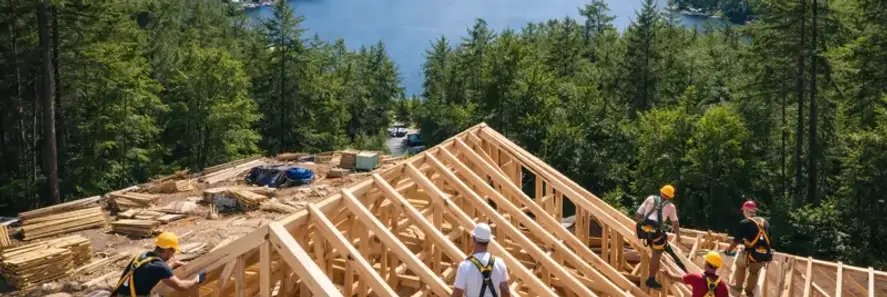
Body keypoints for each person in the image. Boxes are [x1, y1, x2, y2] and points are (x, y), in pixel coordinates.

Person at [112, 232, 207, 297]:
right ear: (167, 250)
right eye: (173, 251)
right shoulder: (160, 267)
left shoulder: (142, 256)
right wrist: (196, 279)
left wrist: (173, 264)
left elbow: (156, 272)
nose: (173, 255)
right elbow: (181, 286)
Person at [635, 184, 681, 289]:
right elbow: (675, 223)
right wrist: (678, 235)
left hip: (642, 232)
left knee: (652, 237)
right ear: (670, 196)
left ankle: (648, 241)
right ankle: (651, 279)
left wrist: (640, 227)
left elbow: (638, 215)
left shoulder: (650, 198)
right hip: (656, 234)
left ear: (661, 192)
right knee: (657, 252)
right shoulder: (671, 207)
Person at [724, 201, 772, 297]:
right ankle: (749, 291)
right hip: (763, 255)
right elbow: (769, 240)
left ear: (746, 211)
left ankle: (738, 287)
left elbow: (736, 240)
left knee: (739, 264)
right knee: (754, 272)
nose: (743, 213)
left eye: (743, 211)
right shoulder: (765, 222)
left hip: (750, 253)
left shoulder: (745, 222)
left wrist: (728, 250)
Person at [452, 223, 510, 297]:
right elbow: (505, 291)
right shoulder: (499, 263)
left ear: (473, 239)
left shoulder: (465, 266)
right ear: (488, 241)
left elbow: (457, 294)